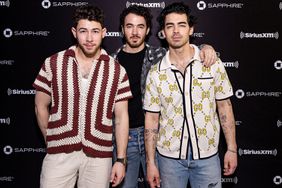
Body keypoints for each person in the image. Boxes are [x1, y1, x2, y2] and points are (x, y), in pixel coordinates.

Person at [111, 5, 218, 188]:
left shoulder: (160, 56)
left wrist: (205, 47)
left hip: (156, 138)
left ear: (148, 30)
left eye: (140, 27)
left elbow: (183, 49)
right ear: (122, 29)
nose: (135, 32)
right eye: (129, 26)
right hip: (124, 139)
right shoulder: (111, 62)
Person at [33, 4, 132, 188]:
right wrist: (53, 141)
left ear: (103, 32)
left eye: (95, 31)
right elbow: (40, 106)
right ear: (74, 32)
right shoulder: (53, 63)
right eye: (83, 31)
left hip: (99, 156)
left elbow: (121, 117)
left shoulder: (116, 70)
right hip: (59, 155)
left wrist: (121, 159)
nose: (89, 38)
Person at [144, 2, 237, 188]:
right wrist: (151, 162)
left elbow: (224, 106)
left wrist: (232, 149)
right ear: (163, 32)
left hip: (207, 155)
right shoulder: (155, 73)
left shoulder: (211, 63)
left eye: (182, 25)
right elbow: (152, 119)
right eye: (170, 26)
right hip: (169, 159)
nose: (176, 31)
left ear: (191, 29)